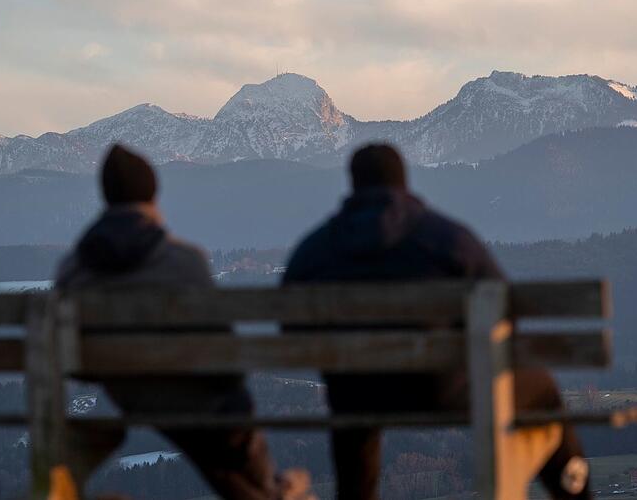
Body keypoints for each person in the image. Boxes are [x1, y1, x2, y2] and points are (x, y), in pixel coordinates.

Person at [282, 143, 590, 500]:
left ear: (352, 184)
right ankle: (576, 493)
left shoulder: (315, 249)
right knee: (543, 388)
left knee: (353, 406)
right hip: (443, 389)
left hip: (357, 393)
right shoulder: (446, 238)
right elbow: (505, 309)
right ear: (404, 183)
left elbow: (292, 331)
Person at [55, 143, 277, 499]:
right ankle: (268, 490)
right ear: (153, 194)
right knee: (227, 422)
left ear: (106, 197)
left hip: (124, 392)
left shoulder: (73, 268)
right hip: (192, 395)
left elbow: (70, 355)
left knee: (210, 438)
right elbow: (221, 346)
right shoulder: (184, 260)